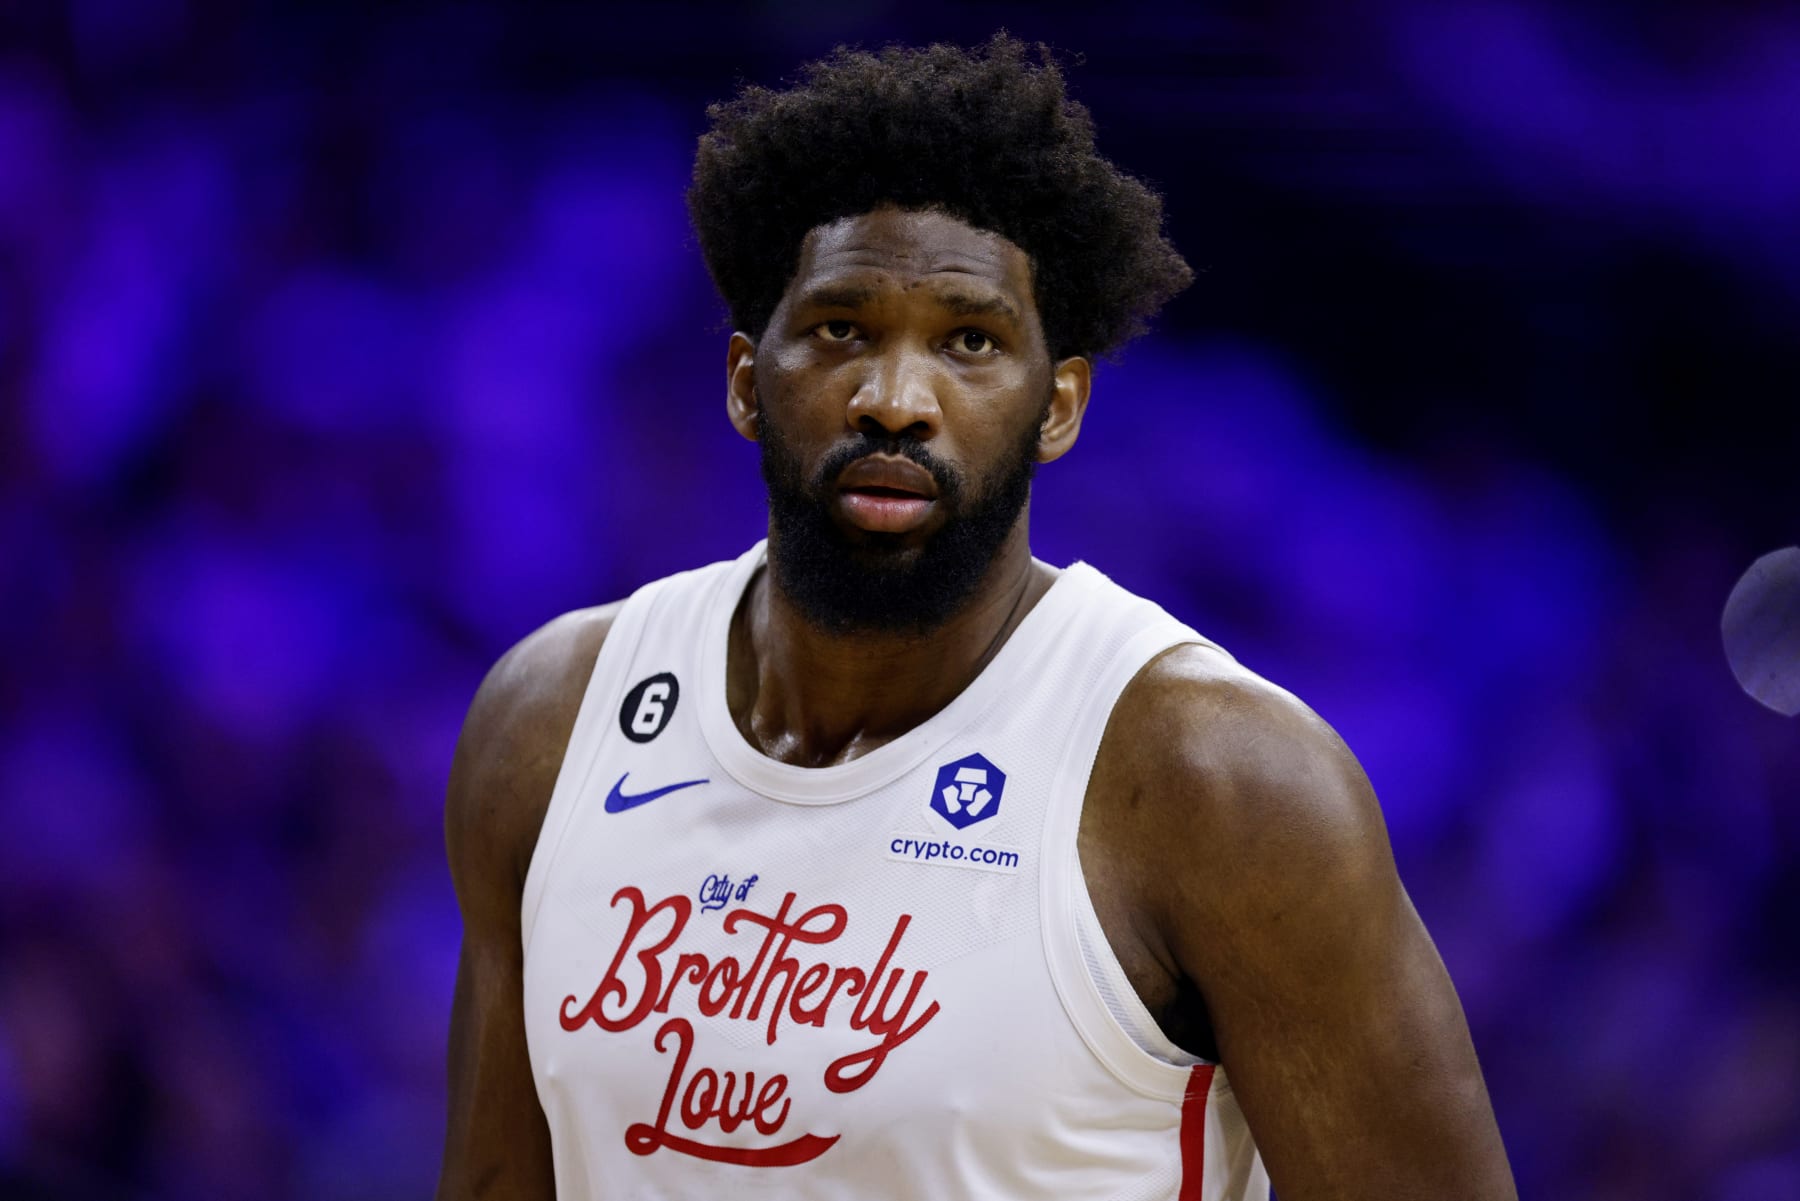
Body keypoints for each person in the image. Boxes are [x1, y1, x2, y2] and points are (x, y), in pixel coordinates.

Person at [435, 34, 1517, 1201]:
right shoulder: (551, 720)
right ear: (748, 380)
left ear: (1059, 406)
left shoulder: (1222, 781)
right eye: (841, 327)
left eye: (970, 342)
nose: (896, 399)